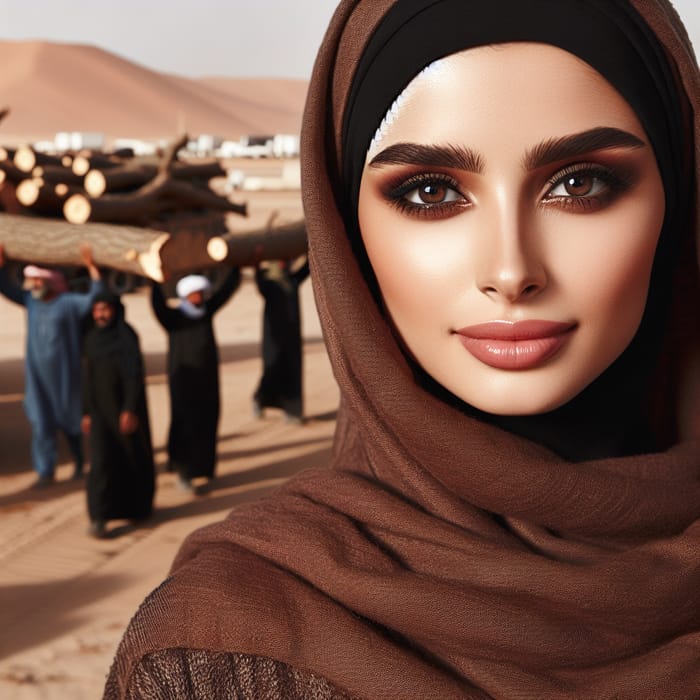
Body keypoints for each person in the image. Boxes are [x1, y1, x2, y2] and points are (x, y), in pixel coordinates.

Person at [105, 1, 700, 697]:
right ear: (345, 231)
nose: (509, 271)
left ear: (679, 203)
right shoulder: (222, 652)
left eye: (579, 184)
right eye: (432, 192)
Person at [0, 243, 103, 488]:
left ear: (48, 283)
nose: (34, 286)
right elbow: (5, 287)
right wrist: (1, 266)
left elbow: (94, 298)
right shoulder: (31, 302)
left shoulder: (67, 303)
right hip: (38, 379)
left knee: (71, 421)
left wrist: (92, 269)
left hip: (65, 375)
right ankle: (45, 471)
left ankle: (79, 463)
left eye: (38, 281)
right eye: (32, 281)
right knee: (41, 423)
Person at [151, 269, 241, 491]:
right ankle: (184, 472)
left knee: (208, 421)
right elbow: (158, 306)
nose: (198, 298)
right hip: (183, 381)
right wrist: (155, 281)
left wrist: (236, 265)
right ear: (185, 296)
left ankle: (204, 468)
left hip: (207, 380)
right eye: (193, 294)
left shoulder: (207, 312)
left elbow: (226, 291)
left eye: (201, 293)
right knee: (185, 423)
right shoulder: (174, 319)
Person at [81, 292, 155, 538]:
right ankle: (100, 517)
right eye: (97, 309)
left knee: (131, 457)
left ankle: (137, 508)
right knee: (101, 462)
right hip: (100, 412)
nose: (100, 314)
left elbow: (134, 374)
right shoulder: (91, 338)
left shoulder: (126, 336)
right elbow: (86, 379)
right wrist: (86, 412)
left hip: (125, 411)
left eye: (105, 309)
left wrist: (130, 408)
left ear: (115, 310)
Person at [253, 256, 310, 423]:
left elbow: (307, 267)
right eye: (279, 260)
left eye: (285, 259)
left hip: (291, 336)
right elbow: (259, 283)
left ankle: (292, 411)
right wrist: (256, 266)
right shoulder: (268, 283)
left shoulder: (292, 280)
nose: (283, 263)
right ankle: (260, 400)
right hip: (274, 338)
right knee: (272, 370)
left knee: (292, 373)